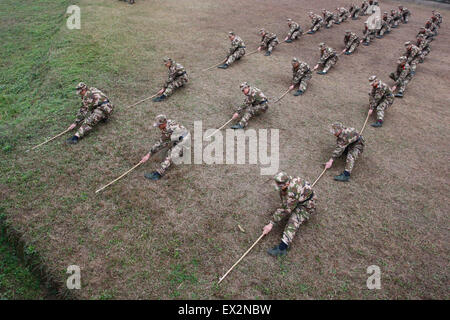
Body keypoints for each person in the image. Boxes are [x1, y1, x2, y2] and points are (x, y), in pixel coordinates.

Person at [262, 172, 317, 257]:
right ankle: (294, 207)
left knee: (293, 221)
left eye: (280, 186)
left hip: (307, 206)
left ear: (287, 183)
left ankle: (282, 248)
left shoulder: (292, 192)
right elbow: (285, 202)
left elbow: (286, 209)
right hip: (299, 199)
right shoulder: (289, 183)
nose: (278, 187)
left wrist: (271, 224)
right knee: (287, 207)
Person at [140, 115, 190, 180]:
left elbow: (159, 144)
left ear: (163, 123)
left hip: (184, 142)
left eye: (159, 125)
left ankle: (158, 174)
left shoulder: (168, 130)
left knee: (170, 154)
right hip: (181, 137)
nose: (158, 127)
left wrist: (148, 155)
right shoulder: (168, 122)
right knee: (166, 144)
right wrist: (148, 154)